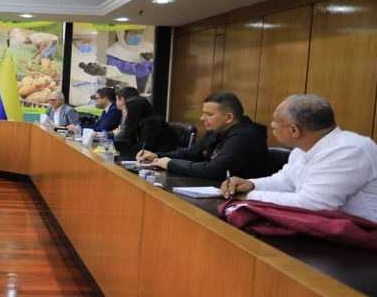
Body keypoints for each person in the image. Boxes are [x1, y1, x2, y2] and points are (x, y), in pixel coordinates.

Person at [221, 94, 377, 222]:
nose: (272, 125)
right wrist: (250, 184)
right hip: (326, 230)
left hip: (362, 239)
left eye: (276, 121)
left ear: (294, 130)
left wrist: (249, 196)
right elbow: (285, 182)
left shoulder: (348, 150)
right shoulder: (302, 149)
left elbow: (313, 205)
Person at [137, 91, 273, 180]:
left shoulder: (246, 136)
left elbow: (214, 170)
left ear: (229, 117)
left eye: (209, 114)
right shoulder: (217, 130)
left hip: (240, 198)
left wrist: (170, 163)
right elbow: (189, 154)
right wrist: (157, 156)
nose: (202, 118)